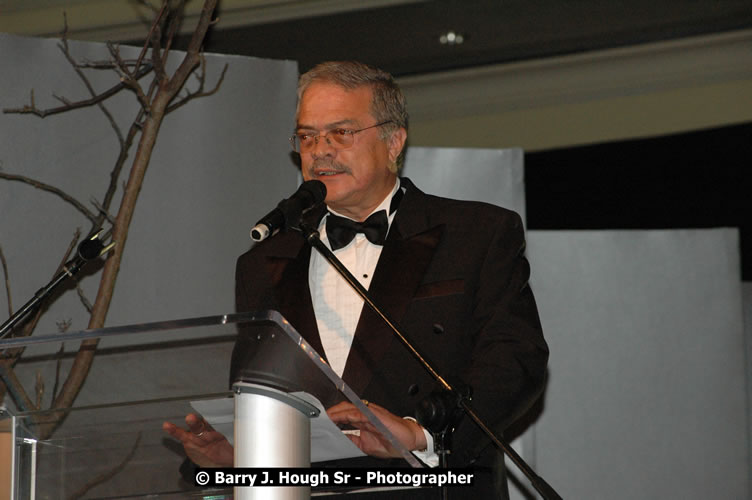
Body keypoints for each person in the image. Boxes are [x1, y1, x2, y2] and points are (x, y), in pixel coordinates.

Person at [164, 61, 549, 498]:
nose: (320, 150)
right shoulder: (265, 261)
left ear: (393, 142)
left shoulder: (475, 233)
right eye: (307, 136)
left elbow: (515, 364)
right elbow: (263, 393)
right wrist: (239, 455)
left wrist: (416, 434)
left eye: (341, 133)